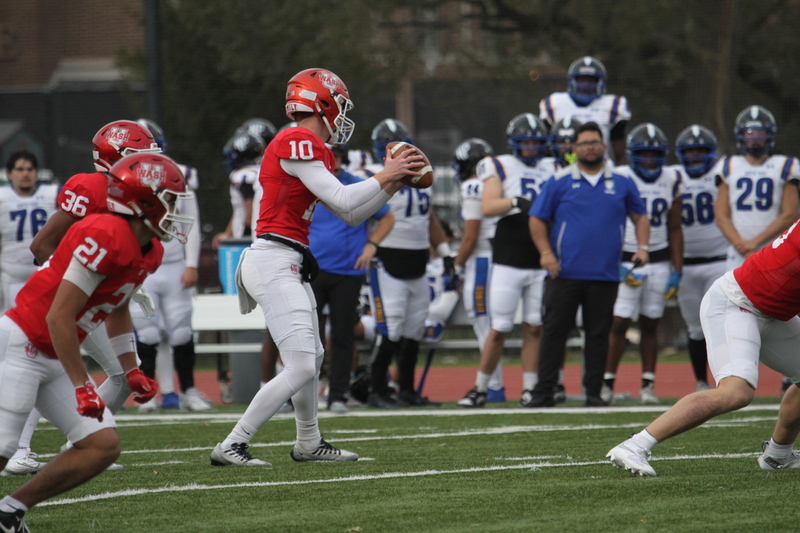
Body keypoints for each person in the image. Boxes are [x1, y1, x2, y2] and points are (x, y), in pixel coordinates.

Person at [209, 68, 422, 467]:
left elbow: (354, 215)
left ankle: (309, 442)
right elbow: (343, 198)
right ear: (322, 102)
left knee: (313, 357)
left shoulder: (308, 145)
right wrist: (386, 174)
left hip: (287, 259)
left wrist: (392, 184)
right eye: (339, 104)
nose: (342, 115)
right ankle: (232, 444)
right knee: (303, 363)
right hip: (273, 258)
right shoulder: (295, 139)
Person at [0, 152, 190, 531]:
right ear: (144, 201)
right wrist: (82, 385)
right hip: (23, 343)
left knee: (101, 446)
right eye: (168, 199)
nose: (174, 209)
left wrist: (131, 368)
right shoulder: (106, 232)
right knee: (3, 450)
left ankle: (10, 510)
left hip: (53, 353)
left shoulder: (150, 249)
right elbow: (58, 316)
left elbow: (117, 307)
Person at [5, 120, 161, 477]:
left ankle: (82, 441)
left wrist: (123, 285)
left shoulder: (139, 209)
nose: (152, 168)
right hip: (66, 303)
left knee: (121, 372)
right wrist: (72, 281)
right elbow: (42, 245)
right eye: (142, 158)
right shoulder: (90, 188)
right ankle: (22, 449)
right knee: (40, 367)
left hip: (96, 303)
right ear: (118, 158)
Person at [607, 218, 800, 477]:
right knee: (736, 393)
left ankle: (778, 455)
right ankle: (635, 445)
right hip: (736, 304)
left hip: (773, 313)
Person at [527, 121, 650, 407]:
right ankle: (544, 390)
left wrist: (642, 247)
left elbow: (640, 216)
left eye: (595, 142)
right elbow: (536, 218)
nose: (590, 148)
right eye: (584, 143)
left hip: (605, 273)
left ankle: (594, 393)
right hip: (564, 271)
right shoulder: (559, 180)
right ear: (574, 148)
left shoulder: (621, 181)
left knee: (597, 336)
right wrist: (546, 252)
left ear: (604, 146)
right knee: (554, 332)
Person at [457, 114, 557, 408]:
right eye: (524, 141)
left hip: (540, 255)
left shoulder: (554, 165)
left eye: (535, 142)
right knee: (498, 327)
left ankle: (529, 388)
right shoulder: (498, 164)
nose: (529, 147)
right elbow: (488, 206)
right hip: (509, 256)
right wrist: (515, 202)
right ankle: (480, 387)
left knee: (534, 326)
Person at [355, 118, 453, 408]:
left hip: (418, 259)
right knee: (391, 328)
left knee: (414, 329)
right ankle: (377, 391)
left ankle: (407, 391)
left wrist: (446, 254)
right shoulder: (367, 174)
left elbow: (429, 218)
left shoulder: (422, 175)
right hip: (386, 260)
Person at [130, 119, 210, 413]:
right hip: (143, 266)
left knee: (180, 332)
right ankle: (148, 393)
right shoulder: (121, 178)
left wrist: (192, 264)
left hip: (174, 263)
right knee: (148, 333)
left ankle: (188, 389)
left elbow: (193, 223)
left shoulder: (181, 175)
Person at [309, 144, 395, 414]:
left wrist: (372, 245)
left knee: (343, 335)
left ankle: (337, 395)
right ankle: (303, 395)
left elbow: (387, 216)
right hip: (311, 268)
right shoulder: (309, 182)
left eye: (336, 157)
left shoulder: (355, 184)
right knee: (308, 335)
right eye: (328, 156)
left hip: (347, 271)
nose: (332, 161)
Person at [601, 123, 684, 405]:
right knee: (619, 322)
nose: (649, 159)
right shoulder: (619, 175)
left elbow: (675, 227)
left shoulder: (672, 177)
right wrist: (613, 261)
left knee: (651, 323)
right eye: (644, 154)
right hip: (626, 258)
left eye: (654, 154)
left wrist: (677, 268)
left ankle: (648, 385)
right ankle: (607, 383)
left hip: (659, 259)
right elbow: (606, 220)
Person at [447, 139, 502, 400]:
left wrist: (456, 266)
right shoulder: (496, 182)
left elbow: (471, 237)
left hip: (482, 261)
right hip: (498, 259)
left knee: (484, 325)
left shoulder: (472, 186)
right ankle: (494, 385)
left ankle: (493, 386)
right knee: (492, 326)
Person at [673, 125, 727, 392]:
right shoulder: (672, 176)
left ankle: (727, 379)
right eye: (690, 151)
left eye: (700, 150)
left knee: (721, 322)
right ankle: (700, 381)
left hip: (719, 260)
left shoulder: (722, 174)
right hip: (684, 264)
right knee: (694, 327)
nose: (695, 156)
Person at [715, 105, 800, 272]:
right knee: (735, 298)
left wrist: (755, 243)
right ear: (741, 135)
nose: (754, 138)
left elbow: (790, 214)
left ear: (769, 135)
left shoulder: (785, 164)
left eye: (760, 133)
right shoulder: (728, 164)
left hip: (774, 248)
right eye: (749, 133)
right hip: (738, 253)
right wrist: (742, 245)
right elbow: (721, 215)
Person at [539, 56, 631, 164]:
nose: (586, 85)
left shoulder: (613, 105)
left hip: (598, 167)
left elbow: (619, 155)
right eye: (581, 80)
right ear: (571, 81)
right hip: (563, 165)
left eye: (591, 80)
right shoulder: (554, 103)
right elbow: (546, 149)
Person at [0, 152, 59, 312]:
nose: (25, 173)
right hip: (12, 277)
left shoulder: (53, 194)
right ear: (10, 173)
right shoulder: (2, 197)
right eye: (20, 169)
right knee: (12, 326)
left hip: (46, 274)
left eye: (30, 169)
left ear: (36, 172)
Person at [213, 131, 267, 248]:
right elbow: (240, 210)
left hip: (249, 238)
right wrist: (229, 233)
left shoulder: (243, 176)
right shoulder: (263, 170)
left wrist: (243, 238)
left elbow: (250, 213)